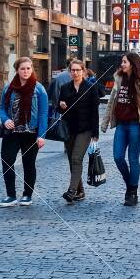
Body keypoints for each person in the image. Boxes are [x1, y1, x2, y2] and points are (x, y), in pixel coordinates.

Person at [102, 52, 140, 206]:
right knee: (118, 157)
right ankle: (130, 186)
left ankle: (132, 193)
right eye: (122, 61)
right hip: (121, 124)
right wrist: (105, 123)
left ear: (132, 63)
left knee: (133, 159)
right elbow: (111, 102)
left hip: (135, 125)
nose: (122, 64)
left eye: (124, 61)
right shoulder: (119, 78)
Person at [0, 57, 49, 207]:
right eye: (22, 69)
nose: (26, 71)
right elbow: (1, 108)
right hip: (12, 132)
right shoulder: (8, 88)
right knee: (7, 161)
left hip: (31, 133)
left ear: (32, 69)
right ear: (17, 70)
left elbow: (43, 113)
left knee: (28, 164)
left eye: (28, 68)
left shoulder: (39, 89)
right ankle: (11, 195)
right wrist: (5, 120)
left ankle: (27, 195)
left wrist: (41, 135)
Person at [57, 58, 101, 202]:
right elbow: (59, 108)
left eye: (78, 70)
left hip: (85, 129)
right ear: (70, 72)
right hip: (69, 129)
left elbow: (95, 111)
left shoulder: (90, 87)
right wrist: (61, 106)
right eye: (73, 70)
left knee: (76, 158)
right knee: (72, 160)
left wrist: (95, 132)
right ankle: (80, 191)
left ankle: (71, 191)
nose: (75, 73)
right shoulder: (65, 87)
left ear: (83, 71)